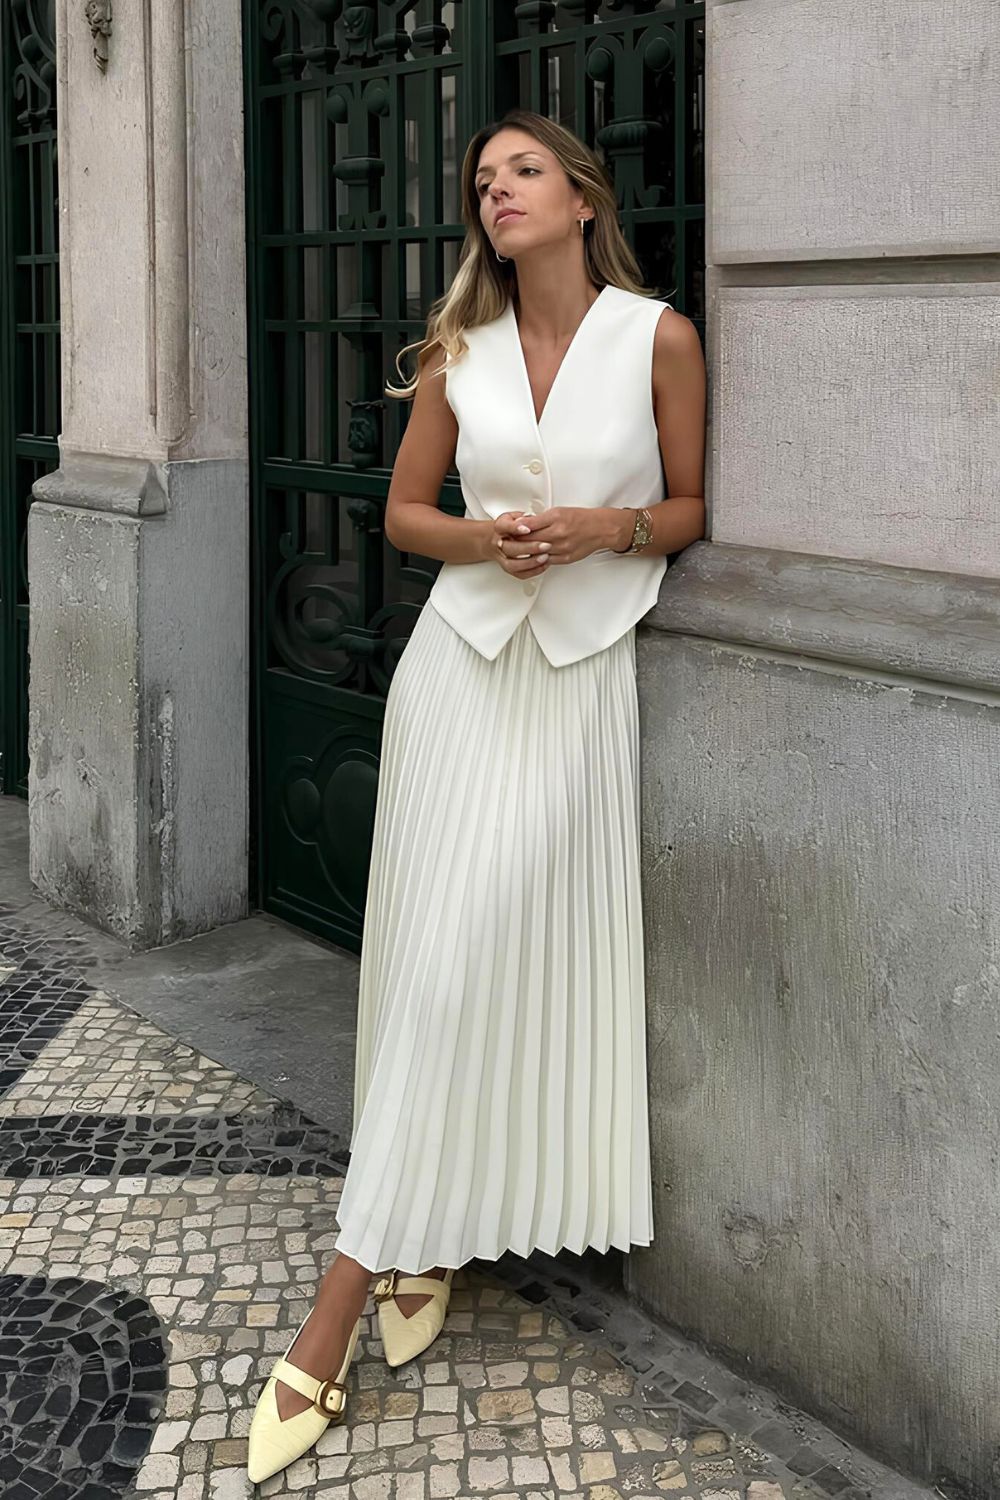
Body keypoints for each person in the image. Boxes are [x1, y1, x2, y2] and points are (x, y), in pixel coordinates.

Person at [247, 107, 706, 1485]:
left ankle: (357, 1291)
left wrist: (605, 528)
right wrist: (487, 537)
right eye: (479, 179)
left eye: (518, 170)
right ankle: (400, 1252)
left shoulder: (658, 337)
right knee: (425, 971)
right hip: (456, 674)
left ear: (579, 195)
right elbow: (403, 518)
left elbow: (688, 508)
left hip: (574, 689)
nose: (493, 190)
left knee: (486, 970)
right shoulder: (461, 350)